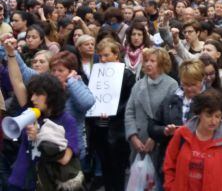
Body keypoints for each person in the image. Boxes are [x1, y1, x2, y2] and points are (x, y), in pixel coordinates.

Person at [8, 74, 80, 191]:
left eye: (38, 94)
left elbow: (65, 158)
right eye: (32, 94)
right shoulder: (32, 114)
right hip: (21, 180)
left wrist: (40, 137)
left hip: (46, 183)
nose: (32, 98)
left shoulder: (67, 121)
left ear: (52, 96)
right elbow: (16, 80)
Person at [163, 89, 222, 191]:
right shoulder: (182, 134)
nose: (214, 121)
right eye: (208, 115)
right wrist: (171, 187)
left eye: (218, 116)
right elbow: (169, 165)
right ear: (199, 113)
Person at [148, 59, 206, 184]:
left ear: (201, 82)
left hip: (199, 163)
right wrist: (165, 131)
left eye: (193, 84)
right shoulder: (170, 100)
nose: (189, 88)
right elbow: (152, 127)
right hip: (171, 161)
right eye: (185, 84)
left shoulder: (209, 101)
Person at [89, 38, 135, 191]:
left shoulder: (127, 75)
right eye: (100, 56)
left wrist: (111, 111)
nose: (103, 59)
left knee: (118, 170)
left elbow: (129, 102)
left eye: (106, 55)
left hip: (117, 130)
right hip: (99, 128)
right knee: (106, 167)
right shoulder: (96, 73)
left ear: (116, 55)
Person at [125, 47, 179, 161]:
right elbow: (129, 112)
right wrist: (133, 136)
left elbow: (171, 117)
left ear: (162, 64)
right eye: (146, 61)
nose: (148, 64)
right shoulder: (138, 85)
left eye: (152, 61)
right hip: (138, 143)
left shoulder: (172, 85)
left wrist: (154, 137)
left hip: (160, 144)